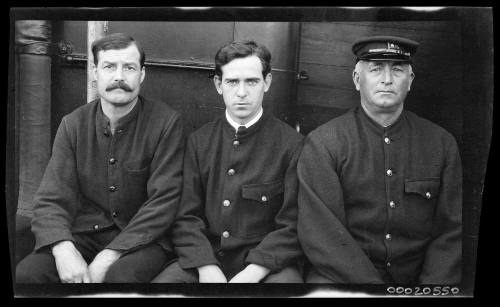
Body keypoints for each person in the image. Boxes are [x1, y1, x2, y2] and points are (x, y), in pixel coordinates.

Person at [16, 33, 185, 283]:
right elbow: (51, 199)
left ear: (142, 75)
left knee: (120, 278)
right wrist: (63, 248)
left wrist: (109, 256)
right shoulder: (73, 124)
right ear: (95, 73)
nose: (119, 76)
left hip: (143, 240)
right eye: (109, 67)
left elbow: (164, 202)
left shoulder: (166, 123)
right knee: (27, 275)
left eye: (129, 67)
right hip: (84, 235)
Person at [297, 36, 462, 284]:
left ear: (410, 81)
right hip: (343, 278)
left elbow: (451, 232)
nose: (387, 79)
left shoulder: (441, 143)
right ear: (356, 79)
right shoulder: (323, 143)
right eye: (375, 70)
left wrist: (430, 288)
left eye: (397, 70)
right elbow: (323, 236)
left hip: (417, 278)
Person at [152, 40, 304, 283]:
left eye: (252, 81)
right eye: (232, 82)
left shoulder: (292, 145)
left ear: (267, 82)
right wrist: (205, 266)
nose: (241, 92)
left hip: (267, 265)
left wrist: (254, 272)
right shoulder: (198, 142)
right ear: (218, 85)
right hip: (206, 258)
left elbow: (292, 225)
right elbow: (185, 217)